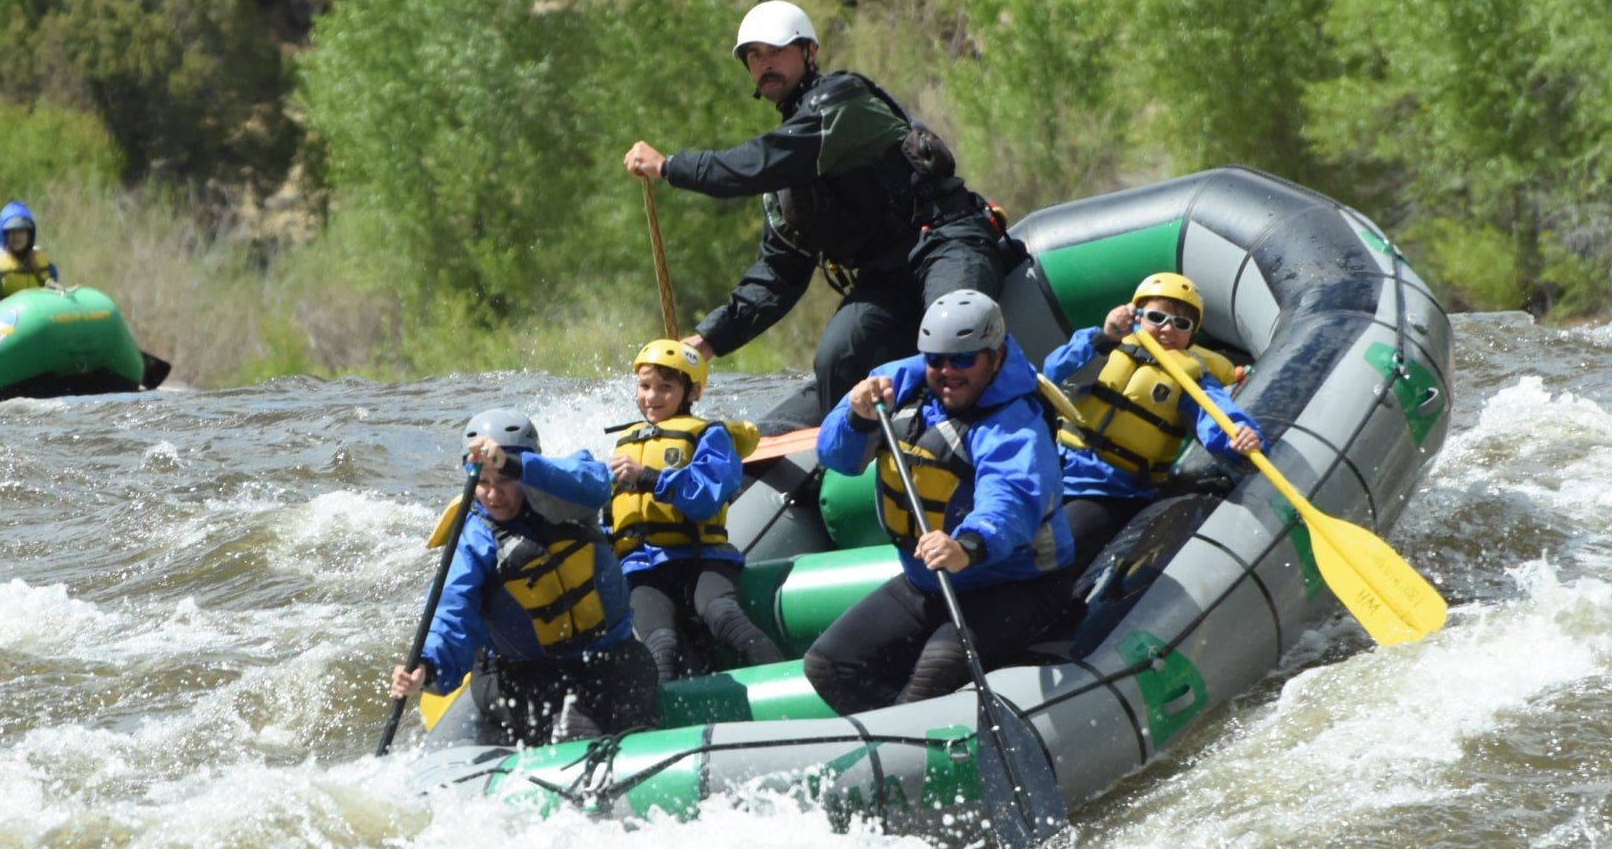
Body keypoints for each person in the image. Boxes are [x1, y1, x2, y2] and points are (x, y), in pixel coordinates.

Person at [622, 0, 1013, 432]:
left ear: (810, 52)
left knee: (954, 328)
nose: (765, 64)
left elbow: (762, 160)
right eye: (754, 56)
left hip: (946, 241)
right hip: (885, 280)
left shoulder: (841, 101)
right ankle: (843, 463)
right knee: (837, 354)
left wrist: (670, 167)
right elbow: (777, 275)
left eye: (776, 52)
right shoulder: (785, 181)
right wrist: (704, 342)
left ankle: (988, 437)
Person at [802, 290, 1074, 715]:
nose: (947, 372)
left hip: (1014, 582)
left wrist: (965, 546)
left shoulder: (1015, 422)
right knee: (827, 665)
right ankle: (895, 747)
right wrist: (857, 418)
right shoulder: (898, 385)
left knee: (936, 669)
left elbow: (1011, 500)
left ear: (996, 358)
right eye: (936, 360)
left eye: (964, 360)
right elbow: (835, 456)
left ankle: (911, 746)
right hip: (927, 581)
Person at [388, 409, 660, 746]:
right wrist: (426, 665)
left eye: (504, 480)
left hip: (609, 654)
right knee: (583, 738)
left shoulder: (566, 495)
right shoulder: (474, 538)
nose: (493, 494)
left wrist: (516, 465)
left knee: (637, 700)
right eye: (484, 482)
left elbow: (594, 482)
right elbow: (452, 608)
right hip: (528, 675)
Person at [530, 340, 785, 682]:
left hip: (702, 557)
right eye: (645, 386)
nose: (652, 397)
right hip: (644, 568)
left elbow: (705, 495)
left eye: (666, 387)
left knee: (722, 615)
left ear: (692, 393)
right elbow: (607, 510)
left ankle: (788, 683)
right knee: (659, 644)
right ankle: (663, 727)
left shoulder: (709, 436)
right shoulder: (624, 446)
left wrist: (648, 476)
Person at [1043, 272, 1262, 572]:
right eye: (1157, 317)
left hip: (1113, 491)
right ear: (1136, 316)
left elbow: (1215, 415)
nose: (1167, 329)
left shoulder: (1191, 377)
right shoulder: (1104, 343)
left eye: (1181, 324)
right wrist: (1104, 337)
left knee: (1056, 546)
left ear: (1191, 335)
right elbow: (1054, 372)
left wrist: (1238, 438)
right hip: (1054, 470)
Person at [0, 200, 59, 312]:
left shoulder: (46, 266)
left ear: (29, 234)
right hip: (3, 324)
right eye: (11, 232)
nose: (16, 237)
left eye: (21, 232)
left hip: (38, 322)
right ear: (4, 236)